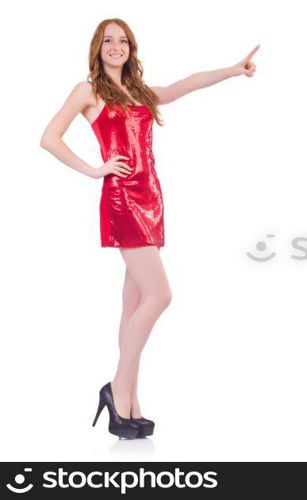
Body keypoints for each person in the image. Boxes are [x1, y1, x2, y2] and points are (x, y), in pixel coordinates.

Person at [40, 18, 258, 438]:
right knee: (160, 295)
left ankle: (131, 401)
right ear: (98, 48)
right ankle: (117, 388)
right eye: (109, 41)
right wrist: (94, 170)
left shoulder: (140, 93)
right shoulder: (88, 91)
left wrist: (232, 70)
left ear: (131, 48)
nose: (116, 47)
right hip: (122, 200)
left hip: (152, 199)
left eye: (123, 41)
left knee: (134, 301)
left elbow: (186, 84)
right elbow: (50, 137)